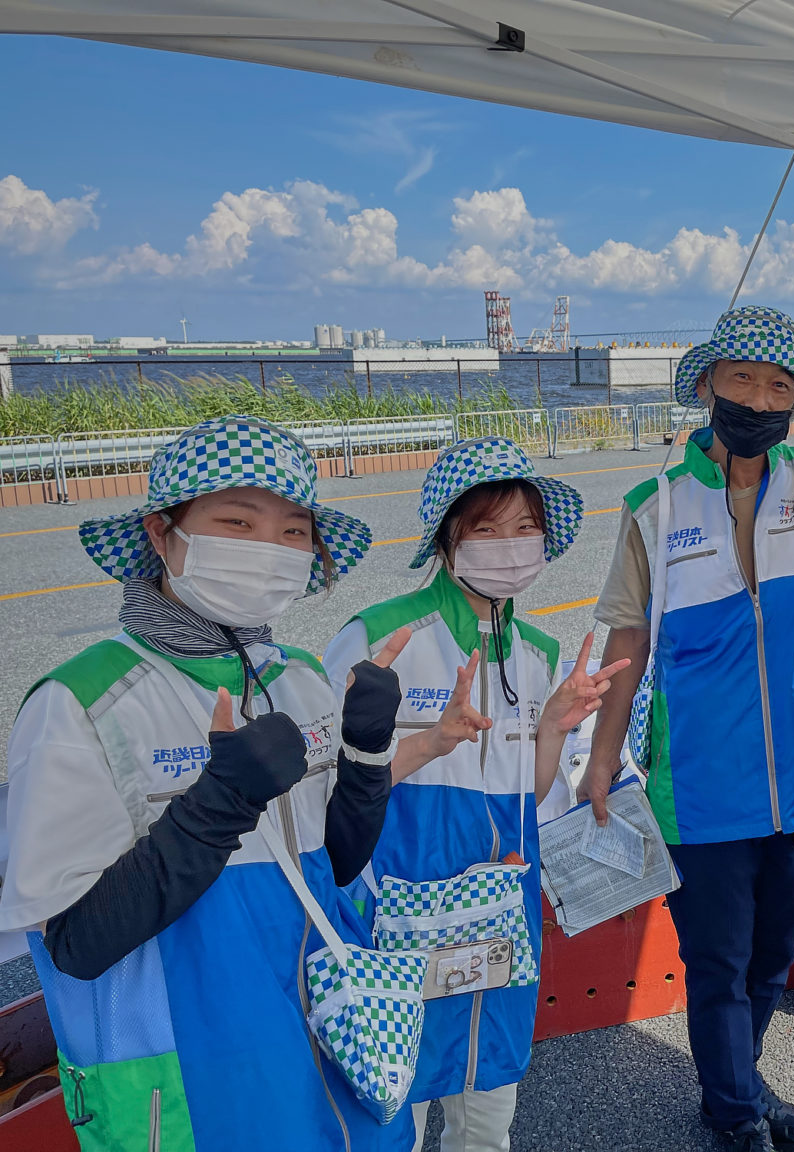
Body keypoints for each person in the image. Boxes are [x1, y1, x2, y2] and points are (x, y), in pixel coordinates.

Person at [0, 415, 414, 1152]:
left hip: (332, 1047)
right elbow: (76, 944)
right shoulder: (82, 703)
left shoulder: (301, 677)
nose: (269, 549)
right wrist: (219, 802)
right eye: (235, 521)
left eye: (293, 531)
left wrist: (366, 752)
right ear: (162, 535)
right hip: (196, 1087)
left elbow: (340, 864)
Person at [583, 305, 794, 1152]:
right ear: (706, 387)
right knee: (718, 969)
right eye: (743, 379)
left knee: (771, 964)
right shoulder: (654, 505)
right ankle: (733, 1115)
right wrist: (600, 763)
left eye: (779, 386)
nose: (760, 398)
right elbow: (626, 646)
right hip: (699, 792)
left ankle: (738, 1087)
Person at [324, 436, 628, 1152]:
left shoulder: (539, 653)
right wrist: (427, 745)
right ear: (445, 539)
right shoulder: (381, 638)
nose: (510, 546)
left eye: (525, 528)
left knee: (487, 1115)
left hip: (498, 922)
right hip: (396, 917)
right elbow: (328, 796)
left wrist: (553, 729)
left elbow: (530, 794)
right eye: (485, 529)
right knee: (393, 1111)